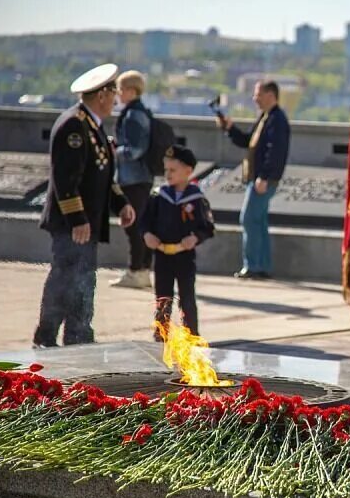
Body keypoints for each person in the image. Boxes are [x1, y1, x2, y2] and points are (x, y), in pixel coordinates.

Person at [33, 63, 135, 348]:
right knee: (65, 278)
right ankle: (47, 336)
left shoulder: (93, 126)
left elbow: (101, 175)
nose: (116, 100)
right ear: (102, 95)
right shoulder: (74, 126)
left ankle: (78, 334)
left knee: (83, 279)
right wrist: (77, 218)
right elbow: (65, 178)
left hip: (86, 223)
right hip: (72, 225)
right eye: (113, 93)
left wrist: (122, 203)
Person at [216, 80, 290, 279]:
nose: (254, 98)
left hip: (263, 180)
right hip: (258, 178)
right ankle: (262, 266)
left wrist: (264, 177)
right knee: (259, 222)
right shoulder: (266, 117)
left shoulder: (277, 120)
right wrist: (230, 128)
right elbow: (249, 142)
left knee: (248, 219)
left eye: (258, 94)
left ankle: (253, 266)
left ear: (270, 95)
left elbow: (275, 152)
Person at [140, 145, 215, 339]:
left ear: (188, 171)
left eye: (173, 170)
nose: (168, 174)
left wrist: (196, 238)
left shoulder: (196, 198)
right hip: (162, 254)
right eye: (166, 170)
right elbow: (144, 222)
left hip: (184, 255)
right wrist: (147, 234)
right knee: (163, 297)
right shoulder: (158, 196)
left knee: (187, 297)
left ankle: (191, 334)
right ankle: (161, 332)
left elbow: (207, 226)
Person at [110, 70, 154, 289]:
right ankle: (143, 270)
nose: (117, 94)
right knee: (138, 224)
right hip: (140, 177)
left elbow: (135, 149)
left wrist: (115, 150)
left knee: (132, 225)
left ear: (130, 90)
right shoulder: (139, 112)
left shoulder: (133, 115)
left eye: (119, 89)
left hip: (134, 177)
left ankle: (136, 270)